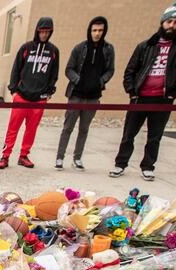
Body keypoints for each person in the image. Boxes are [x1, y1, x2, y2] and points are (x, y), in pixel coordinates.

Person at [110, 1, 176, 182]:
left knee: (154, 136)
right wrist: (132, 92)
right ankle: (120, 164)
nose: (172, 25)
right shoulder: (146, 45)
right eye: (169, 21)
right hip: (140, 97)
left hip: (163, 99)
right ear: (162, 22)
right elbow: (130, 69)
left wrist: (175, 92)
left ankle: (148, 166)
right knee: (129, 134)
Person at [0, 17, 59, 170]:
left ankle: (24, 155)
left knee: (31, 130)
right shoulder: (26, 48)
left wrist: (49, 91)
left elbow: (54, 73)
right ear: (37, 31)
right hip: (22, 96)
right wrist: (13, 90)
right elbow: (16, 69)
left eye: (47, 32)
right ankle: (5, 156)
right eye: (41, 31)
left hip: (39, 99)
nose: (44, 34)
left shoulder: (53, 51)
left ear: (50, 32)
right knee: (13, 128)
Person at [55, 16, 114, 171]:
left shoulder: (108, 50)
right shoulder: (80, 48)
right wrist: (78, 80)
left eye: (100, 30)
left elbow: (110, 70)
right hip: (76, 95)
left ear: (104, 31)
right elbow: (68, 69)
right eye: (94, 30)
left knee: (84, 129)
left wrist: (101, 82)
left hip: (93, 97)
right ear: (90, 30)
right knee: (67, 127)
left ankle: (77, 158)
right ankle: (60, 157)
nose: (97, 33)